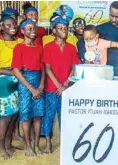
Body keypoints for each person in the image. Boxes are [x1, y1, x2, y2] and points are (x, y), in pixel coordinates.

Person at [0, 16, 23, 159]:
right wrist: (12, 72)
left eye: (14, 24)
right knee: (5, 116)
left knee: (14, 116)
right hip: (1, 81)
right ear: (2, 26)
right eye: (8, 24)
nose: (12, 26)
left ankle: (8, 144)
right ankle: (1, 149)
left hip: (17, 79)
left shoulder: (20, 42)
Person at [41, 16, 80, 154]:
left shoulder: (71, 48)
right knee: (49, 116)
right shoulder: (48, 47)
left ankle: (65, 143)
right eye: (60, 28)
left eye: (65, 28)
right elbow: (47, 68)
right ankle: (47, 143)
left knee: (65, 116)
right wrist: (58, 85)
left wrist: (65, 84)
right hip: (51, 88)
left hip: (67, 89)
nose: (63, 30)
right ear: (54, 31)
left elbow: (74, 67)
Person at [11, 19, 45, 157]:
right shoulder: (19, 48)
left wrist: (41, 85)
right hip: (25, 84)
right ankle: (28, 146)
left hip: (38, 83)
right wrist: (31, 88)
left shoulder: (39, 47)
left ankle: (36, 144)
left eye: (34, 28)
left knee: (38, 114)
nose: (33, 31)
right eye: (29, 29)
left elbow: (43, 68)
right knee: (26, 115)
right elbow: (16, 71)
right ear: (22, 31)